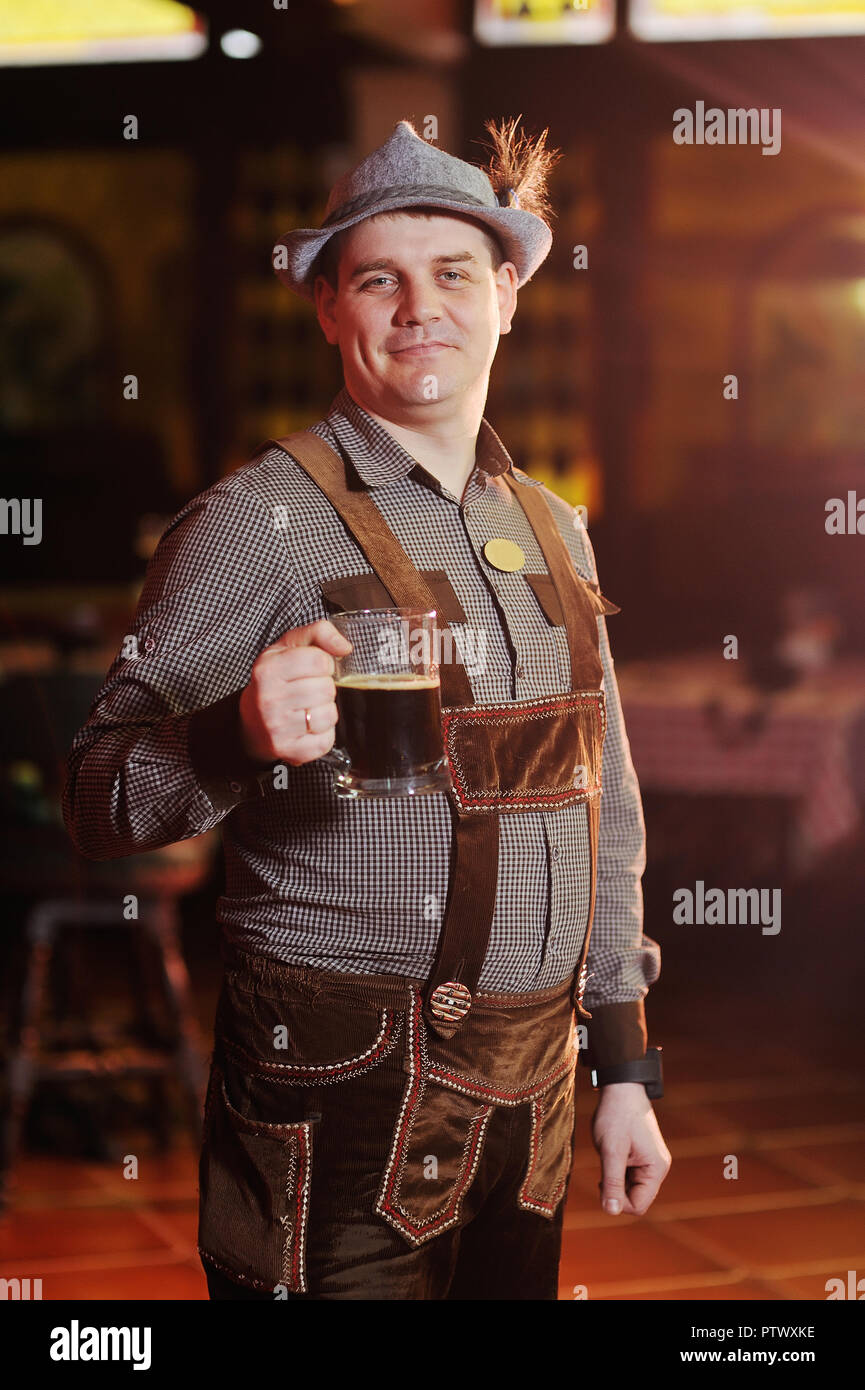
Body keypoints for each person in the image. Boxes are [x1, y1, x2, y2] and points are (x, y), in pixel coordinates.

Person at [63, 117, 670, 1301]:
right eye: (377, 281)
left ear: (506, 294)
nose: (417, 309)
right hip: (336, 1087)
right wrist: (230, 734)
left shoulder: (555, 527)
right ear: (329, 309)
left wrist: (629, 1063)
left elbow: (611, 810)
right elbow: (95, 790)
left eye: (451, 275)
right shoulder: (252, 520)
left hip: (531, 1093)